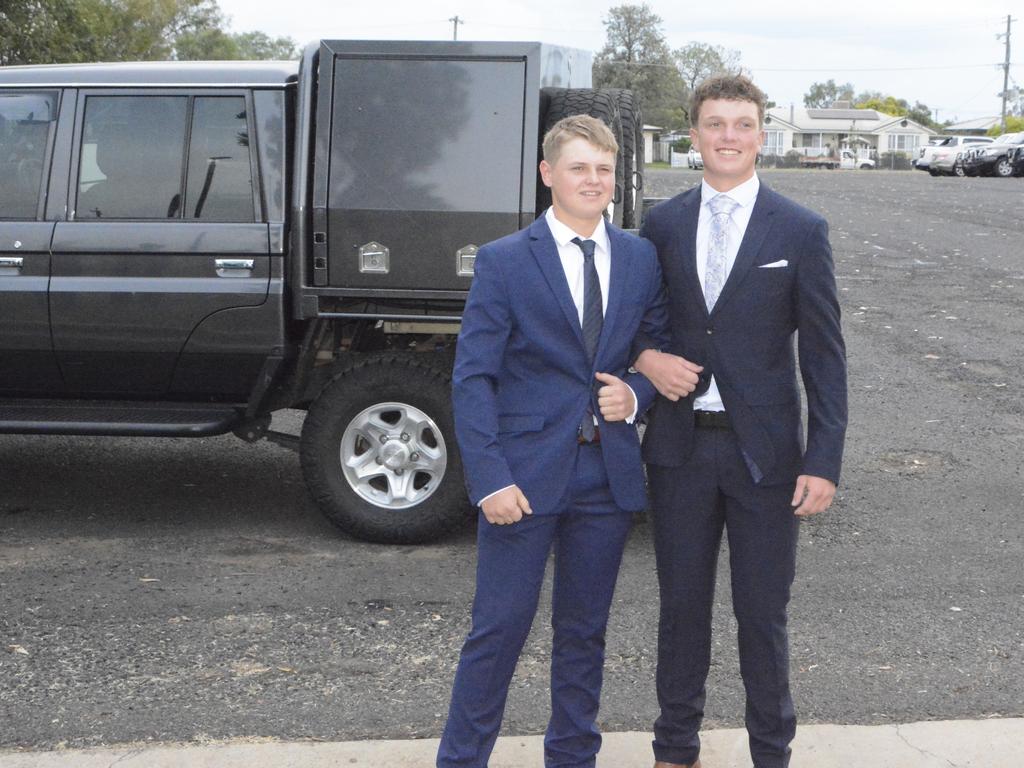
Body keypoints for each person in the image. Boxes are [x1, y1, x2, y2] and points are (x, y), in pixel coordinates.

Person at [437, 114, 672, 768]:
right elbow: (473, 378)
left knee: (583, 637)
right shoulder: (506, 261)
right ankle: (460, 760)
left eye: (603, 169)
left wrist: (637, 393)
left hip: (607, 476)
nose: (593, 180)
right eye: (579, 167)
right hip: (522, 479)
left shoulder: (639, 256)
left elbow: (654, 347)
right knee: (498, 634)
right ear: (548, 175)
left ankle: (572, 758)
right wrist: (489, 479)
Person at [634, 75, 848, 768]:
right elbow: (636, 320)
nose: (729, 136)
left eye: (743, 124)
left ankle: (771, 752)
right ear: (693, 136)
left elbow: (824, 355)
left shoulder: (800, 230)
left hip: (768, 459)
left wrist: (823, 459)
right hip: (680, 449)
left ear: (761, 135)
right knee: (681, 612)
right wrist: (645, 356)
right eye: (715, 123)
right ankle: (675, 747)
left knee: (762, 617)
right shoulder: (661, 225)